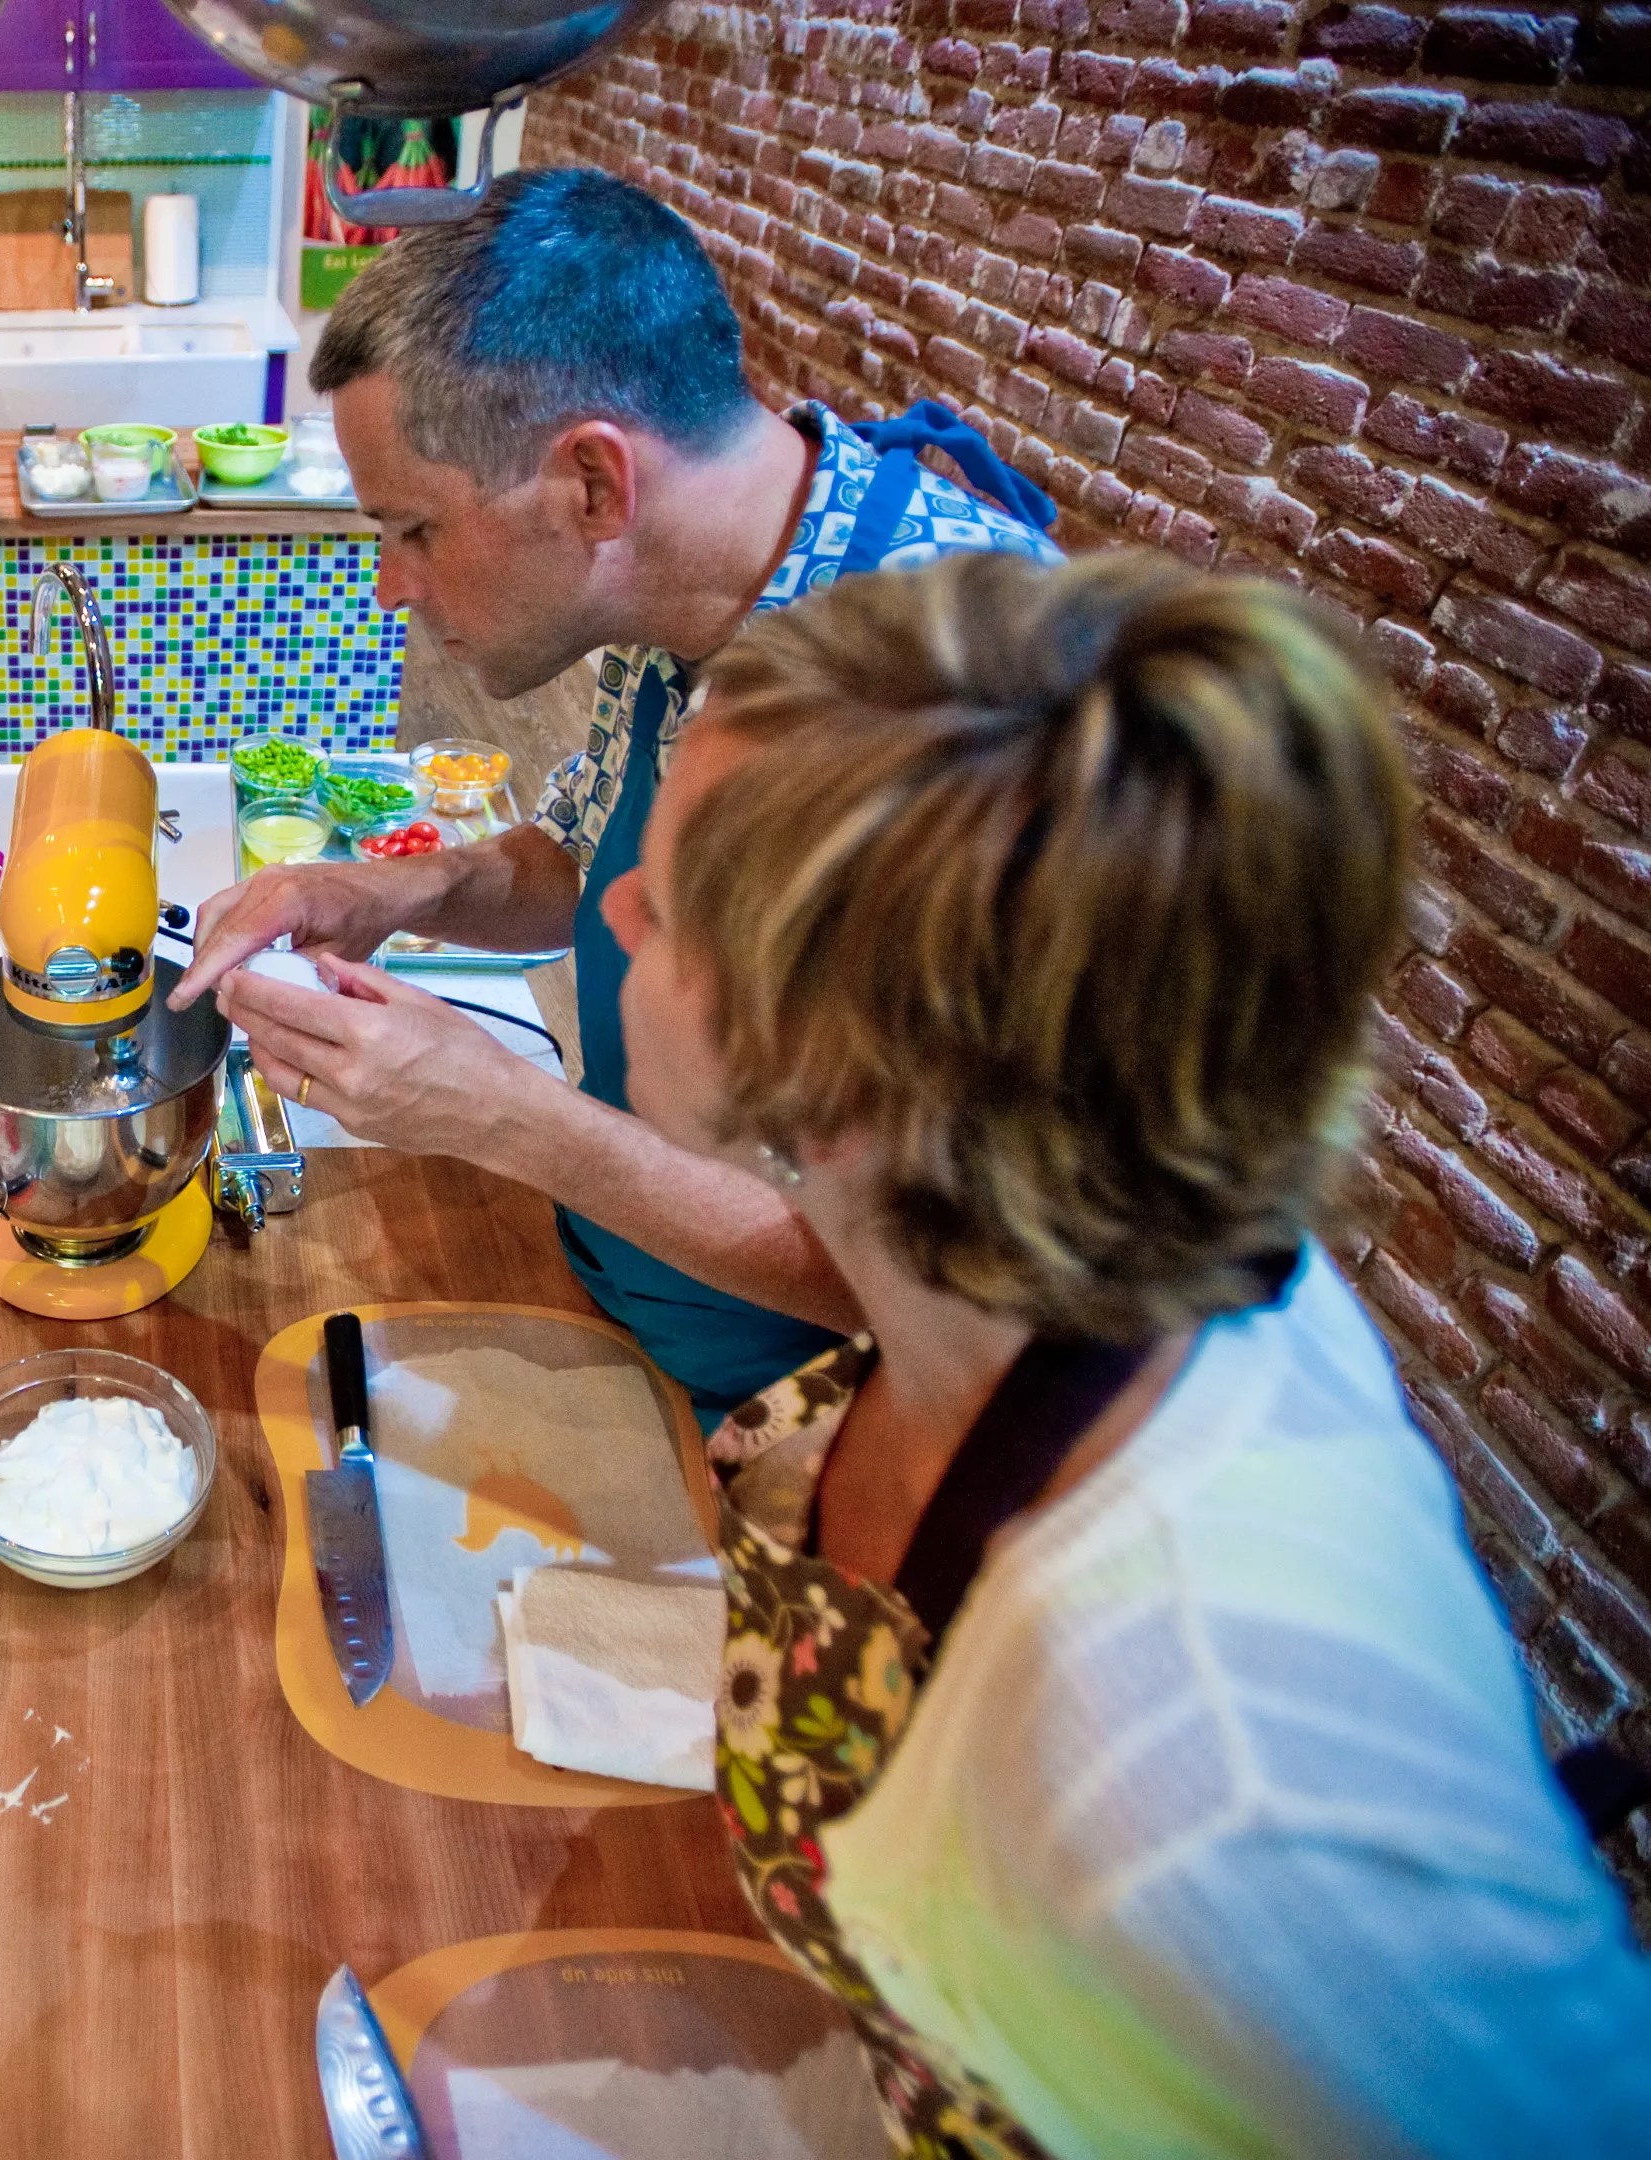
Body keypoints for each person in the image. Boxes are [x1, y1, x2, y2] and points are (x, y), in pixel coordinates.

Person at [618, 547, 1651, 2155]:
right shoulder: (1030, 1256)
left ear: (838, 1082)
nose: (611, 906)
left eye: (662, 910)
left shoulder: (1204, 1784)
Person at [173, 169, 1061, 1425]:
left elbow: (955, 1294)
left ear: (592, 482)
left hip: (814, 1419)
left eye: (413, 529)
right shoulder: (685, 586)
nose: (388, 586)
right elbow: (588, 860)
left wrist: (505, 1116)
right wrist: (383, 887)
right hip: (628, 1303)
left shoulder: (957, 723)